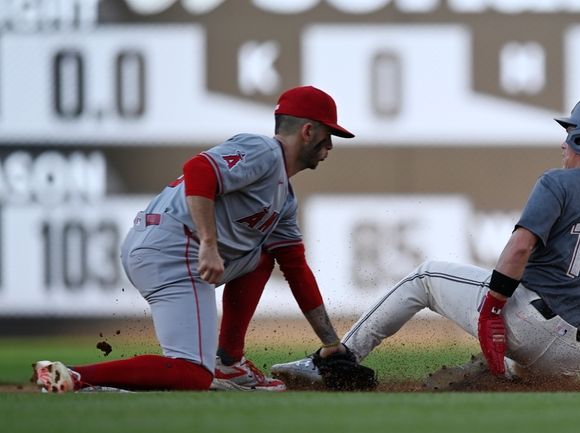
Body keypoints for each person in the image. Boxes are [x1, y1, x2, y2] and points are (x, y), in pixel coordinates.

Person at [270, 98, 580, 390]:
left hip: (528, 323)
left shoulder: (560, 183)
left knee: (427, 276)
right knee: (522, 370)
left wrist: (493, 307)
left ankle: (335, 362)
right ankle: (498, 381)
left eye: (570, 133)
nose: (564, 143)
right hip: (572, 357)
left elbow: (518, 249)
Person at [32, 85, 355, 392]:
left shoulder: (284, 200)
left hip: (166, 245)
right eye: (329, 136)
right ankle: (73, 375)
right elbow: (199, 169)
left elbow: (295, 267)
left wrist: (331, 344)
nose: (330, 147)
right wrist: (209, 245)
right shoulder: (265, 151)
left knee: (263, 254)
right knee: (193, 374)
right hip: (173, 247)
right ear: (308, 131)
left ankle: (229, 361)